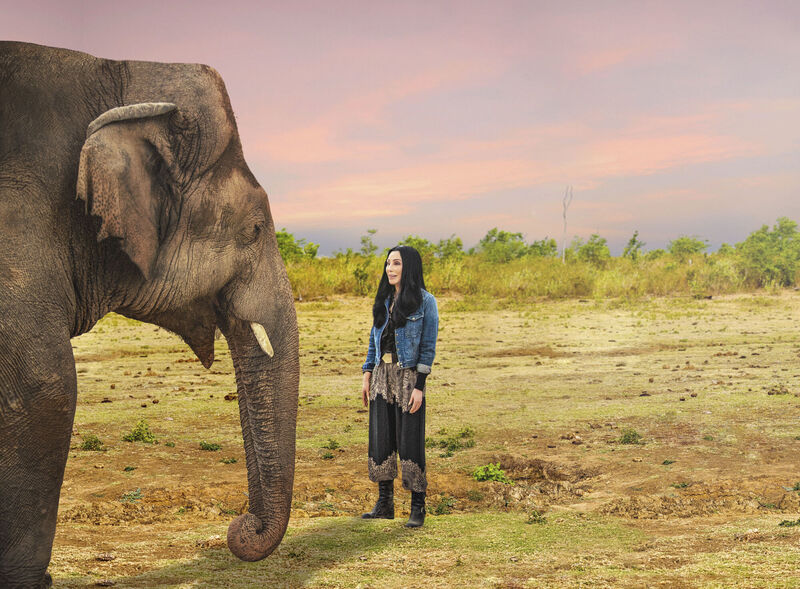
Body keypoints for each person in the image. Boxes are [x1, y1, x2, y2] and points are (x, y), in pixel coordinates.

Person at [360, 245, 439, 528]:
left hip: (408, 378)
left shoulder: (426, 302)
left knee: (410, 439)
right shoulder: (383, 301)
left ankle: (418, 506)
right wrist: (367, 372)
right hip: (382, 373)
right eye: (387, 263)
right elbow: (374, 338)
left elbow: (428, 347)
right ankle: (385, 504)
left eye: (396, 263)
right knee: (381, 438)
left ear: (409, 267)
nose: (390, 269)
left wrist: (420, 385)